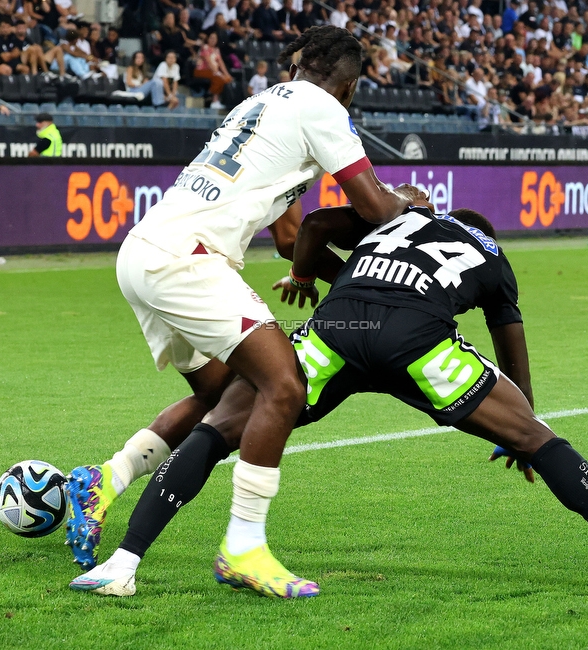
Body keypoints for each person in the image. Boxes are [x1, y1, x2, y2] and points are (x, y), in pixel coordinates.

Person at [69, 206, 588, 599]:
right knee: (545, 441)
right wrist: (521, 428)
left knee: (221, 426)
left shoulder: (395, 216)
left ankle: (122, 565)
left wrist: (306, 277)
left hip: (337, 329)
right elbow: (513, 346)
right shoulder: (491, 255)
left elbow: (312, 226)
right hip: (418, 342)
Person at [60, 27, 428, 594]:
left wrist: (323, 276)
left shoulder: (261, 103)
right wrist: (410, 197)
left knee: (220, 393)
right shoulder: (325, 109)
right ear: (350, 85)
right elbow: (376, 207)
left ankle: (107, 477)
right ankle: (245, 546)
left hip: (143, 253)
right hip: (187, 262)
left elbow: (287, 237)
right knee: (284, 385)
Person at [193, 31, 232, 109]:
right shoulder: (205, 47)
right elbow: (209, 61)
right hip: (202, 71)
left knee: (227, 79)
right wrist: (219, 73)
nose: (213, 40)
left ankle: (220, 100)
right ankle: (214, 100)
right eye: (211, 38)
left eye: (215, 38)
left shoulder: (216, 50)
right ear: (208, 39)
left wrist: (227, 74)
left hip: (212, 71)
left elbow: (221, 63)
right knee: (219, 79)